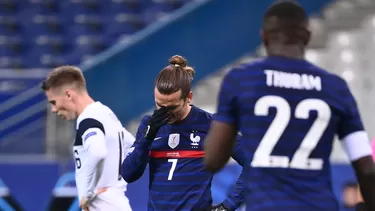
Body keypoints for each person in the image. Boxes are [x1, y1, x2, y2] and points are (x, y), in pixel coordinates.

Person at [204, 1, 375, 211]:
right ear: (307, 36)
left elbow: (213, 159)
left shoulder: (241, 80)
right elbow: (366, 167)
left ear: (264, 36)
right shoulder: (335, 87)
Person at [121, 55, 247, 211]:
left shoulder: (212, 125)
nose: (165, 112)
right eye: (160, 105)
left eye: (172, 107)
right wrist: (147, 138)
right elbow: (128, 174)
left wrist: (228, 206)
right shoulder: (149, 124)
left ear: (188, 97)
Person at [41, 65, 133, 211]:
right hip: (114, 201)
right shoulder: (105, 113)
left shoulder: (88, 119)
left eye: (53, 102)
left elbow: (98, 153)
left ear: (69, 95)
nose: (53, 109)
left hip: (103, 203)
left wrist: (89, 193)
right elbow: (133, 146)